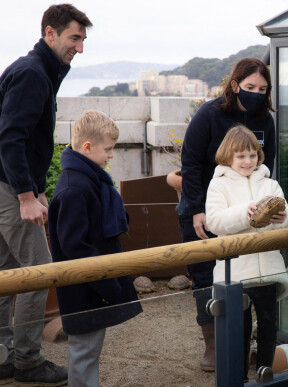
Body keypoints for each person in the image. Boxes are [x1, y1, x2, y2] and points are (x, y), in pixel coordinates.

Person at [0, 4, 92, 385]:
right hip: (9, 190)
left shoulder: (36, 70)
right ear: (50, 34)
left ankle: (5, 355)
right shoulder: (34, 74)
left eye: (83, 40)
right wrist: (25, 196)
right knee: (39, 273)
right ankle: (27, 361)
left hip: (5, 186)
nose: (80, 48)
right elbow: (10, 139)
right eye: (74, 38)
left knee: (7, 275)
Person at [179, 57, 276, 371]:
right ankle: (213, 346)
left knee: (246, 279)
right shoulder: (210, 114)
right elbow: (190, 163)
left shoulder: (265, 120)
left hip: (247, 212)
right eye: (249, 87)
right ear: (235, 85)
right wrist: (196, 210)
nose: (256, 93)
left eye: (262, 89)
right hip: (205, 207)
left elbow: (266, 165)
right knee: (207, 277)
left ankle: (248, 347)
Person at [48, 111, 143, 387]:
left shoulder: (87, 180)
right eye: (108, 149)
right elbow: (74, 245)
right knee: (84, 350)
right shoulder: (75, 189)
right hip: (85, 285)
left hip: (91, 282)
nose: (111, 155)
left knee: (89, 348)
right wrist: (107, 279)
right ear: (87, 147)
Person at [205, 125, 288, 378]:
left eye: (252, 155)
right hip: (236, 275)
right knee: (239, 332)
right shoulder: (218, 185)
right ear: (228, 156)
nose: (248, 161)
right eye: (241, 156)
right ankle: (240, 378)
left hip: (269, 270)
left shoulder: (271, 184)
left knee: (269, 329)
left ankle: (266, 377)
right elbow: (214, 222)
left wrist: (283, 218)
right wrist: (246, 213)